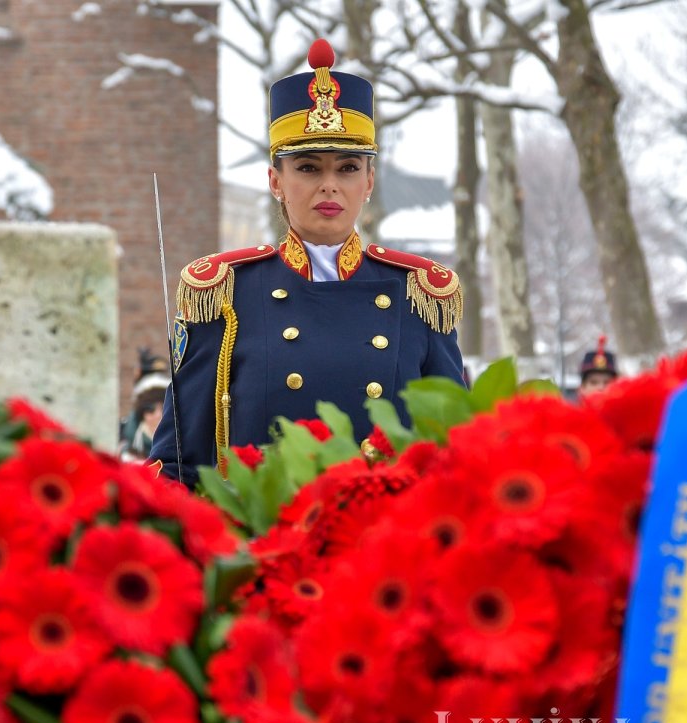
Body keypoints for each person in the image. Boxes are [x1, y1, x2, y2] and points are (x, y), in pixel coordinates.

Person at [149, 39, 465, 486]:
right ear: (275, 180)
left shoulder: (421, 295)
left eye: (348, 168)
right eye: (309, 168)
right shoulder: (223, 295)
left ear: (370, 180)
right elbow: (179, 461)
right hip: (265, 540)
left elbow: (456, 453)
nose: (330, 186)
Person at [118, 348, 171, 460]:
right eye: (150, 408)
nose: (158, 414)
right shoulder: (125, 448)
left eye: (164, 408)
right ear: (141, 413)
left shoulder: (179, 447)